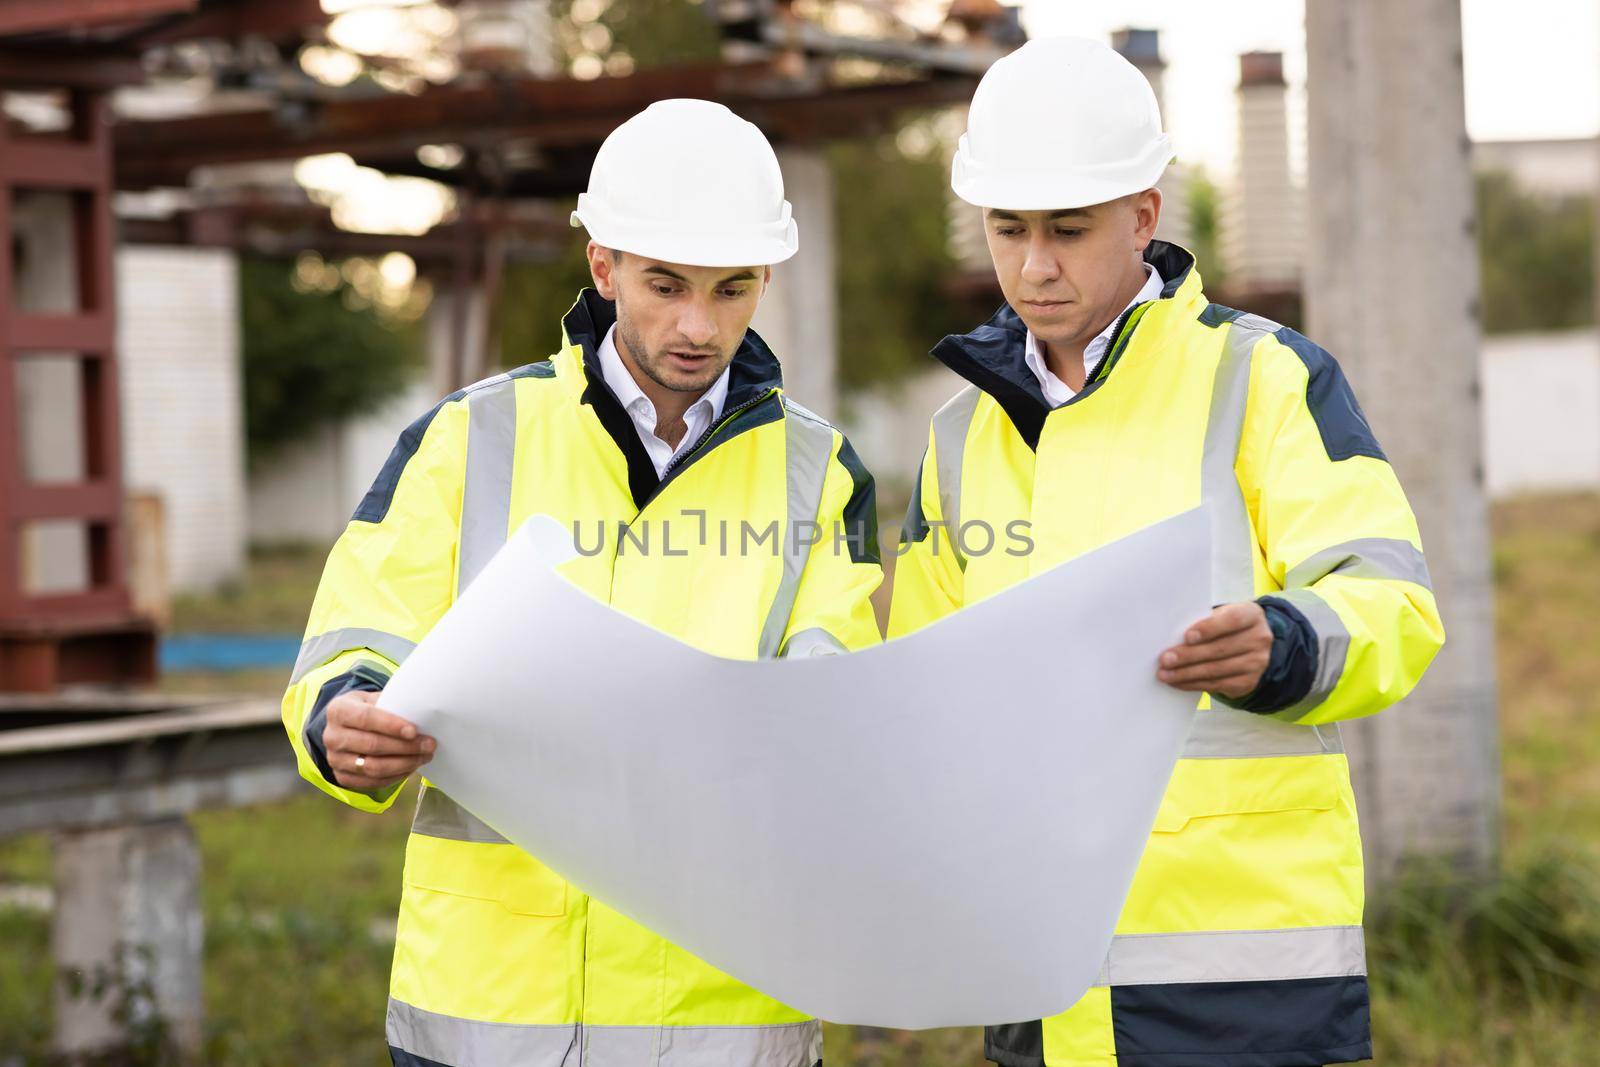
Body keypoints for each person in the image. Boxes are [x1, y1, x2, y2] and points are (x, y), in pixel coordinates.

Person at [281, 98, 882, 1067]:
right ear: (601, 265)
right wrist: (343, 715)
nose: (699, 326)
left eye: (733, 289)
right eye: (664, 285)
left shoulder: (819, 472)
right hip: (488, 1011)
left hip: (719, 1015)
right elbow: (354, 637)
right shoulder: (466, 439)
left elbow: (833, 681)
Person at [889, 37, 1445, 1067]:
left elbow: (1391, 600)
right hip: (1040, 971)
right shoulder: (960, 439)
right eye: (1008, 229)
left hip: (1243, 984)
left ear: (1144, 215)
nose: (1034, 263)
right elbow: (927, 687)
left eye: (1068, 228)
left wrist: (1280, 644)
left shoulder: (1266, 378)